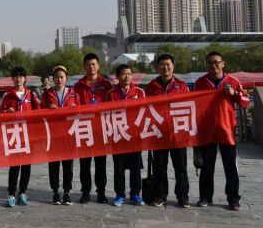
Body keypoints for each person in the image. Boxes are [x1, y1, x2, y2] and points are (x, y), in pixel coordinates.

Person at [194, 51, 249, 211]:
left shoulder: (233, 81)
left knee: (230, 166)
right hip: (207, 130)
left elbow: (245, 101)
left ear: (223, 64)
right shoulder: (200, 83)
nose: (213, 65)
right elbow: (194, 104)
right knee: (207, 166)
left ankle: (233, 198)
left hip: (227, 130)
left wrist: (234, 93)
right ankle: (205, 197)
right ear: (207, 65)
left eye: (216, 62)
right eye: (210, 63)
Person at [145, 53, 190, 208]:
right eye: (162, 65)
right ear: (157, 67)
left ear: (173, 66)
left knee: (181, 167)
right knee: (159, 167)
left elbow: (189, 107)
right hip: (158, 133)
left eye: (168, 64)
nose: (165, 67)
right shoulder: (151, 87)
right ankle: (160, 195)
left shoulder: (182, 86)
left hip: (178, 133)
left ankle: (182, 196)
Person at [73, 53, 113, 204]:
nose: (91, 67)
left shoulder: (107, 84)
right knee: (84, 164)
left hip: (101, 129)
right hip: (84, 129)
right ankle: (85, 192)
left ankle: (101, 192)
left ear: (98, 66)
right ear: (84, 67)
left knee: (101, 164)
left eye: (93, 64)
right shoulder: (78, 86)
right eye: (88, 64)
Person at [106, 64, 146, 206]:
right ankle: (120, 194)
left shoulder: (139, 92)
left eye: (129, 74)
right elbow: (106, 114)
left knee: (136, 167)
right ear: (117, 76)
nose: (127, 76)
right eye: (123, 74)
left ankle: (135, 194)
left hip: (135, 136)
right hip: (118, 135)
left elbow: (144, 111)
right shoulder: (111, 94)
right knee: (119, 167)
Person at [1, 66, 40, 207]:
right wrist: (7, 111)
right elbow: (0, 113)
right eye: (16, 76)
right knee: (14, 166)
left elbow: (38, 114)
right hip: (14, 135)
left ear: (25, 79)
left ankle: (22, 193)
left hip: (28, 135)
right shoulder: (7, 96)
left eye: (21, 76)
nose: (19, 79)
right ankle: (11, 194)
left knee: (26, 166)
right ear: (12, 79)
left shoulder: (31, 95)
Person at [41, 65, 79, 205]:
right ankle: (56, 192)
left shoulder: (73, 94)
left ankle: (67, 192)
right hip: (53, 135)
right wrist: (47, 109)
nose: (59, 80)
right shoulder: (47, 94)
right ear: (53, 79)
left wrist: (75, 109)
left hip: (69, 135)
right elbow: (40, 112)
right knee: (54, 165)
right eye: (56, 77)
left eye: (62, 77)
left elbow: (81, 112)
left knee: (68, 165)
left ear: (66, 78)